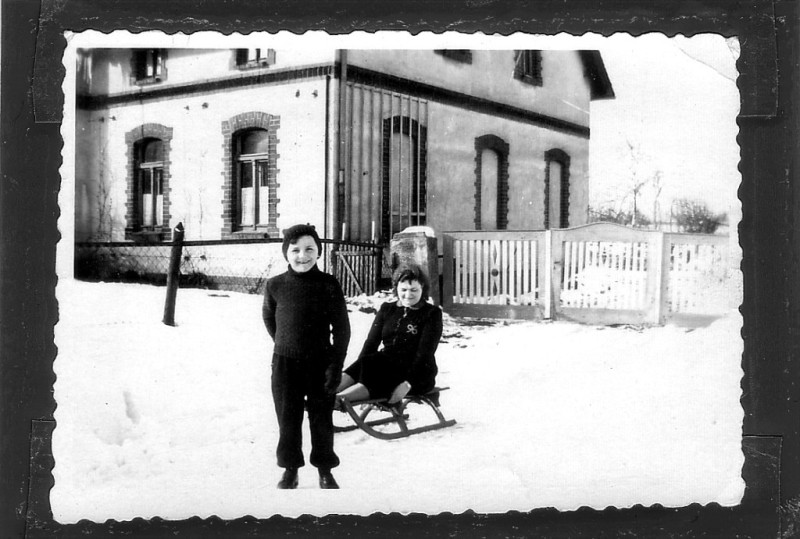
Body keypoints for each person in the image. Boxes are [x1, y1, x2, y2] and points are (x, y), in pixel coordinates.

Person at [263, 224, 350, 489]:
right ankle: (290, 469)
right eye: (296, 250)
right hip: (285, 364)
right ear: (286, 253)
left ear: (319, 252)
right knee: (287, 419)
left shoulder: (328, 284)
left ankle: (325, 469)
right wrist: (285, 343)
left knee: (321, 419)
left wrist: (335, 365)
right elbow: (269, 318)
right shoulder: (275, 285)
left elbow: (342, 328)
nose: (303, 256)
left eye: (310, 249)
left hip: (320, 363)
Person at [337, 264, 443, 405]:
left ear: (422, 288)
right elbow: (371, 343)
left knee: (379, 376)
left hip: (417, 371)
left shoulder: (431, 313)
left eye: (414, 290)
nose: (408, 295)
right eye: (403, 289)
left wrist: (408, 383)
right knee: (366, 362)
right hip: (386, 363)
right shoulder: (388, 309)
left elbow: (425, 353)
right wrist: (360, 370)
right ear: (396, 288)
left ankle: (337, 399)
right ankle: (325, 392)